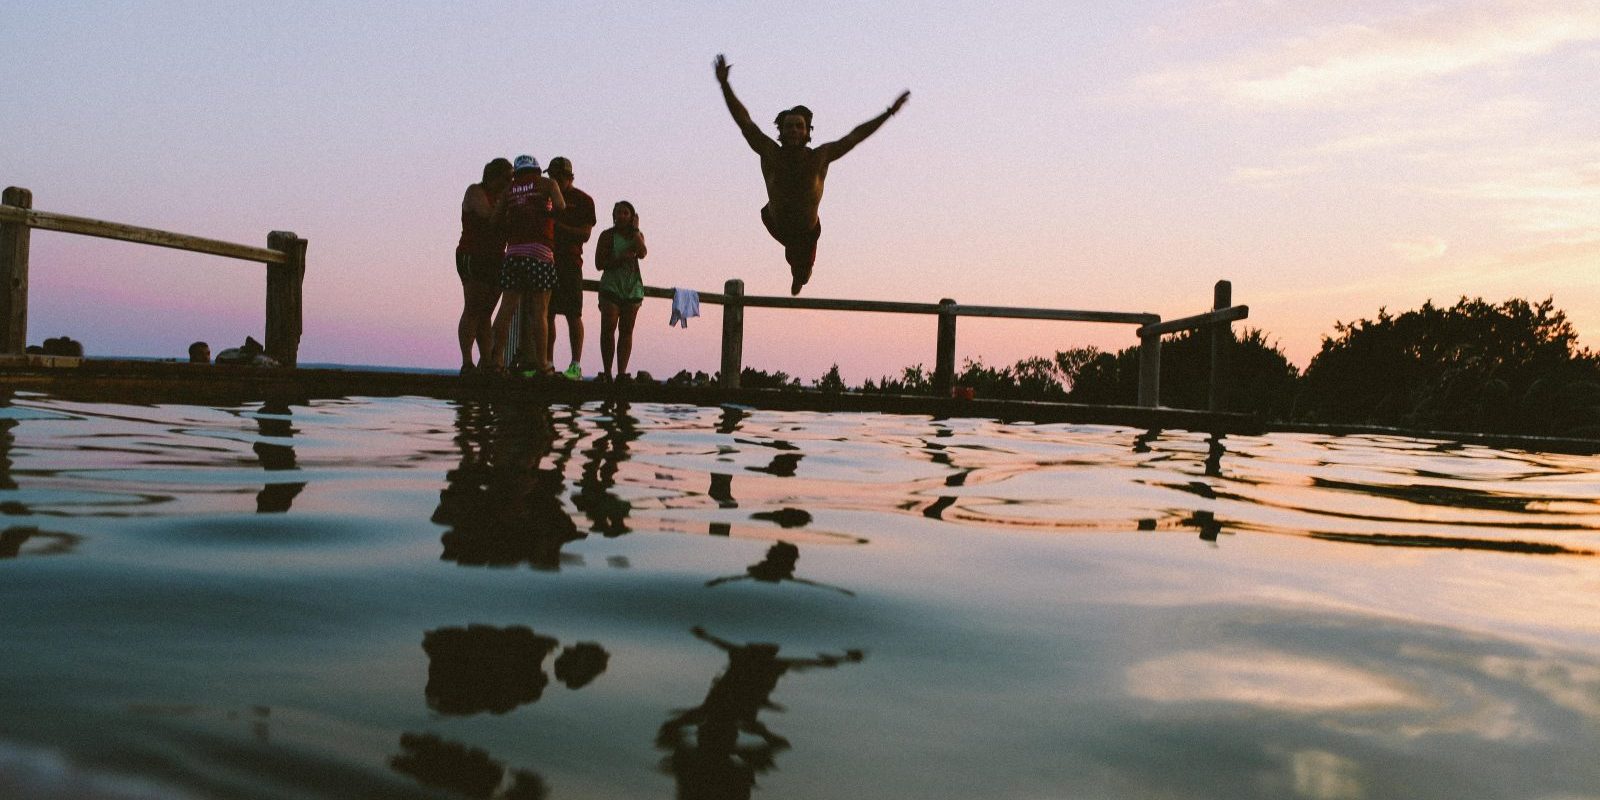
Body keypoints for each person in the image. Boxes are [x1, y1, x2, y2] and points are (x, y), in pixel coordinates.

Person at [713, 53, 909, 295]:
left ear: (807, 132)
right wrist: (725, 85)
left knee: (802, 273)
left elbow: (855, 136)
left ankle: (799, 276)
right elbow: (745, 121)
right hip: (776, 223)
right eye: (789, 126)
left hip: (806, 233)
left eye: (799, 126)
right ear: (781, 132)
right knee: (792, 255)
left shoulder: (820, 157)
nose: (794, 130)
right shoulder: (769, 152)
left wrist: (889, 113)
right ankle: (797, 270)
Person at [487, 154, 565, 376]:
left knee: (506, 309)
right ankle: (542, 365)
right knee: (540, 312)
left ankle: (496, 362)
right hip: (540, 250)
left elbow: (494, 221)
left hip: (513, 252)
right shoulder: (547, 184)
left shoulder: (509, 189)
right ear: (537, 169)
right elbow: (561, 207)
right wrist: (545, 214)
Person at [456, 158, 513, 375]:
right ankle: (467, 362)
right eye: (507, 178)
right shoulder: (475, 192)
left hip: (497, 257)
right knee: (473, 308)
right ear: (494, 176)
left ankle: (487, 361)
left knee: (487, 312)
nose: (511, 182)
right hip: (473, 254)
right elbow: (489, 217)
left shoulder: (503, 198)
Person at [543, 157, 596, 380]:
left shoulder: (584, 200)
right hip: (547, 261)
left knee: (574, 314)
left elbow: (585, 234)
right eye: (550, 176)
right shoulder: (545, 197)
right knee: (548, 314)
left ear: (569, 177)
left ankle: (575, 365)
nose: (553, 180)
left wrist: (558, 227)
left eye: (557, 176)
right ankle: (548, 363)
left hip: (571, 263)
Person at [594, 201, 647, 381]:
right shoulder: (607, 236)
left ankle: (621, 373)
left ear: (632, 217)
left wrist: (635, 230)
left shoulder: (637, 235)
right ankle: (607, 372)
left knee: (626, 331)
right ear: (613, 216)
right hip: (611, 287)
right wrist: (618, 258)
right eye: (618, 212)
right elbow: (599, 264)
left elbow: (642, 253)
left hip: (632, 289)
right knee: (608, 329)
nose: (622, 216)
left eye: (626, 213)